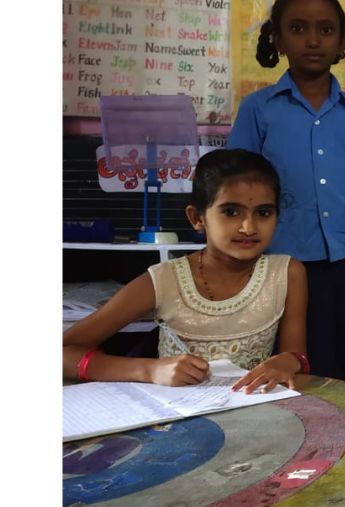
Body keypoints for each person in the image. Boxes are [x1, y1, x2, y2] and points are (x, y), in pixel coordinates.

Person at [228, 0, 345, 392]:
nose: (313, 40)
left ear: (341, 42)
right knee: (297, 375)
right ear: (278, 39)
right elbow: (238, 195)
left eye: (326, 29)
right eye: (298, 29)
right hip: (281, 266)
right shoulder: (257, 110)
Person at [63, 149, 308, 393]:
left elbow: (295, 355)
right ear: (197, 218)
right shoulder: (165, 280)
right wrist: (150, 370)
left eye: (263, 213)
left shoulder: (286, 274)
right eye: (231, 212)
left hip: (254, 414)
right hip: (173, 421)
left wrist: (290, 360)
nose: (248, 227)